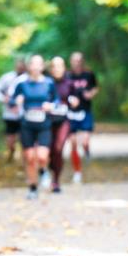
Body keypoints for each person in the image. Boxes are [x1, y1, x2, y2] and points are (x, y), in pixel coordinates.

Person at [10, 54, 57, 200]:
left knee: (42, 156)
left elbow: (56, 100)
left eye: (39, 64)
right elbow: (11, 101)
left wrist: (51, 105)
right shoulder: (22, 84)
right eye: (33, 64)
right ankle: (32, 188)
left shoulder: (49, 83)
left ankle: (43, 170)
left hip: (44, 124)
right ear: (29, 67)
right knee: (30, 158)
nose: (36, 67)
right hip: (27, 124)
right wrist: (16, 101)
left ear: (42, 67)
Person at [66, 51, 99, 184]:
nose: (77, 62)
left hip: (85, 111)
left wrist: (91, 94)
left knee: (84, 141)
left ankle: (86, 149)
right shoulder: (67, 76)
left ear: (82, 61)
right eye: (74, 60)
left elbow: (96, 87)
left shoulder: (89, 74)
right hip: (71, 113)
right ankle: (77, 172)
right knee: (74, 143)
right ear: (70, 62)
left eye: (79, 60)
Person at [47, 56, 75, 193]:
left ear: (64, 68)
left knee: (58, 148)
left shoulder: (69, 82)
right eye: (54, 66)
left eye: (60, 66)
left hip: (63, 120)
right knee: (48, 151)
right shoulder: (45, 82)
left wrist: (74, 101)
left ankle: (55, 181)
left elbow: (75, 97)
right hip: (46, 120)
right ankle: (47, 169)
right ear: (50, 69)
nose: (57, 69)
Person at [0, 57, 26, 161]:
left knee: (24, 139)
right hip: (9, 114)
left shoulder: (28, 79)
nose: (20, 66)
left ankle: (24, 161)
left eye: (22, 64)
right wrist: (3, 99)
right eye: (18, 64)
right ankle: (11, 153)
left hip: (24, 114)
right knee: (10, 140)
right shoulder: (7, 78)